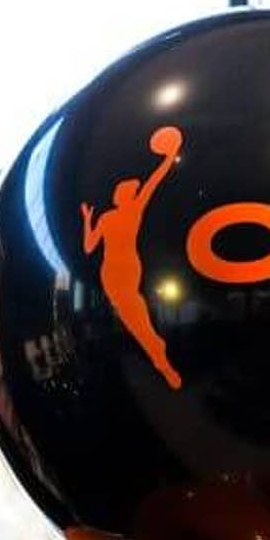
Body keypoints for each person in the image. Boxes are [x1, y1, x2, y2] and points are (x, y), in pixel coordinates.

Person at [81, 126, 183, 389]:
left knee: (134, 315)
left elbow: (151, 184)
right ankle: (159, 356)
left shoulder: (131, 211)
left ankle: (157, 351)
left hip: (123, 271)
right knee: (134, 316)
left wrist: (168, 160)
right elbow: (90, 246)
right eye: (127, 190)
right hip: (114, 273)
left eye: (129, 190)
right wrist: (87, 221)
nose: (128, 192)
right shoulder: (116, 215)